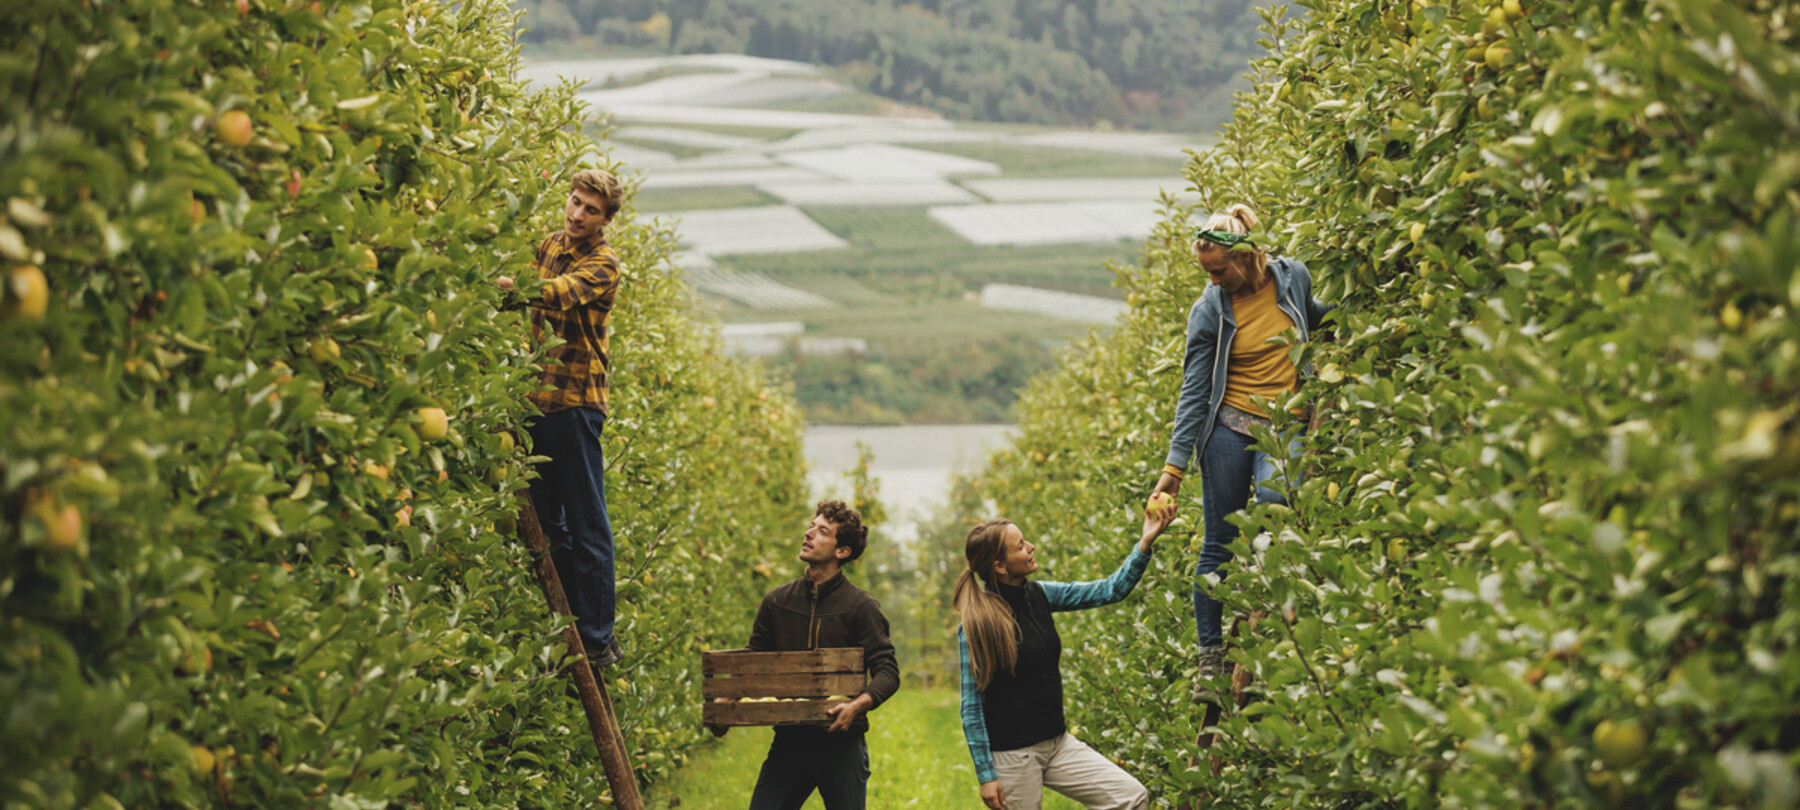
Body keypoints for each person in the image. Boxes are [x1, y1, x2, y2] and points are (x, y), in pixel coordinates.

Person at [1149, 203, 1334, 703]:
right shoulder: (1210, 308)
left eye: (1217, 270)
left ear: (1246, 258)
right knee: (1221, 539)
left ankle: (1270, 615)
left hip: (1285, 423)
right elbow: (1193, 390)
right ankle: (1211, 655)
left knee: (1277, 501)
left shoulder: (1293, 278)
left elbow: (1315, 317)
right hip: (1228, 427)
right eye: (1205, 272)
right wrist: (1174, 467)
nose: (1211, 281)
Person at [955, 508, 1176, 810]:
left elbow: (1109, 590)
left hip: (1057, 744)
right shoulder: (977, 626)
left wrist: (1145, 542)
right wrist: (985, 774)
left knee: (1130, 796)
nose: (1031, 546)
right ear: (999, 566)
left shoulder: (1041, 595)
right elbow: (971, 708)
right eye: (1020, 546)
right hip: (1013, 756)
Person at [497, 168, 627, 670]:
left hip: (575, 403)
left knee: (587, 520)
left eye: (590, 209)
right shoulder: (547, 244)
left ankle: (596, 637)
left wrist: (511, 284)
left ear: (605, 218)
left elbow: (557, 293)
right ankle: (582, 621)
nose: (577, 214)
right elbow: (524, 295)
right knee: (550, 523)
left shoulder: (604, 264)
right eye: (575, 202)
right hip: (535, 399)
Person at [736, 500, 900, 810]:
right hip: (789, 742)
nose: (809, 533)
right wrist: (728, 702)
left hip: (841, 745)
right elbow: (753, 663)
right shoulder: (776, 601)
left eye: (822, 531)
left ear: (842, 552)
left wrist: (856, 706)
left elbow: (887, 672)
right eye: (811, 526)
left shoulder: (860, 607)